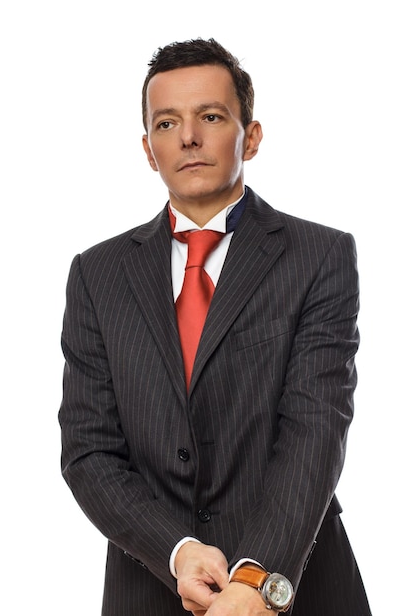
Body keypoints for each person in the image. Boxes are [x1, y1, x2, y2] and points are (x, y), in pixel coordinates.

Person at [59, 38, 372, 615]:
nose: (188, 138)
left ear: (250, 135)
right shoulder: (96, 275)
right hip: (151, 590)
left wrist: (256, 578)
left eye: (210, 116)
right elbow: (88, 453)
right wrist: (176, 550)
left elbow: (315, 430)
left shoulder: (319, 255)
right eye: (166, 122)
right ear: (149, 150)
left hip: (298, 583)